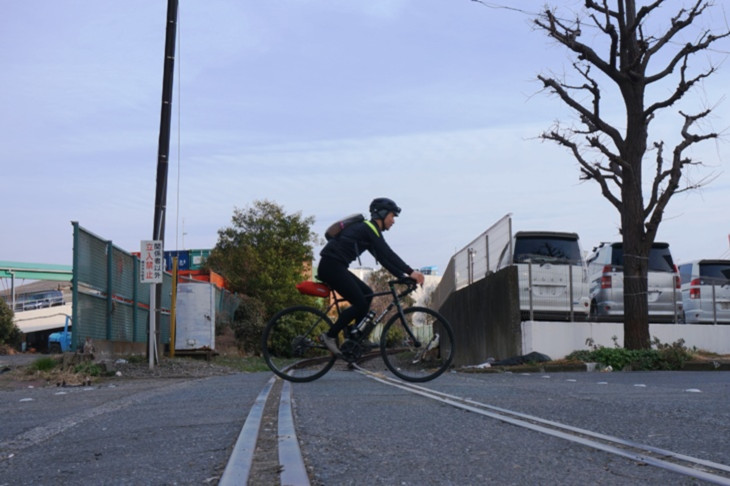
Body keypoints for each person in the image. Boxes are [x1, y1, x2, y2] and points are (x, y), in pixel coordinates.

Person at [317, 197, 425, 355]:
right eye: (392, 216)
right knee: (360, 302)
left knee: (367, 294)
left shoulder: (367, 232)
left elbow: (383, 259)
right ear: (382, 214)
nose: (393, 221)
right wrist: (411, 272)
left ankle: (354, 337)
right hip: (331, 266)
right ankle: (330, 336)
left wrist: (402, 276)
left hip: (335, 266)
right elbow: (388, 252)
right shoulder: (369, 228)